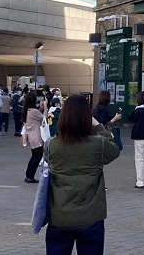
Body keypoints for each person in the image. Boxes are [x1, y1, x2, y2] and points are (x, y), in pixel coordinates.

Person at [46, 95, 121, 255]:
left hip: (60, 215)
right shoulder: (97, 144)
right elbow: (114, 150)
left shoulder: (52, 145)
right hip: (91, 215)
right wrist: (98, 125)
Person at [22, 90, 45, 183]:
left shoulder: (27, 110)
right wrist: (45, 108)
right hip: (36, 136)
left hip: (31, 136)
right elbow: (44, 118)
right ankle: (30, 176)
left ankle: (28, 175)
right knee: (37, 156)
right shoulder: (33, 111)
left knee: (34, 156)